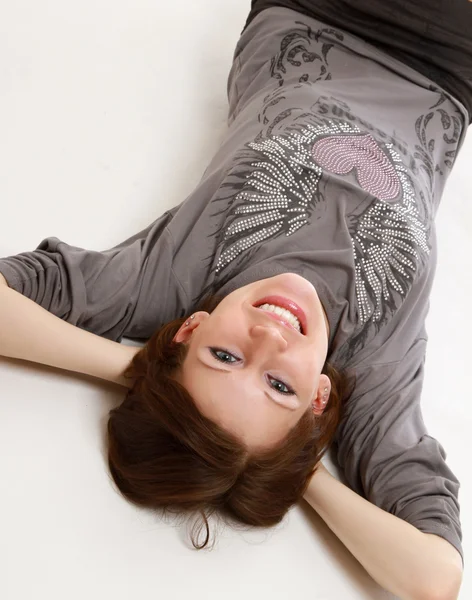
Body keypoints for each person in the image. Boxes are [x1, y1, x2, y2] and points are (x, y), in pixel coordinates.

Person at [0, 2, 470, 598]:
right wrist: (289, 470)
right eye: (280, 386)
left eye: (224, 358)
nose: (268, 341)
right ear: (318, 400)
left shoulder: (165, 281)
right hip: (451, 59)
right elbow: (434, 578)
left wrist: (142, 377)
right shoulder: (372, 371)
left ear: (190, 331)